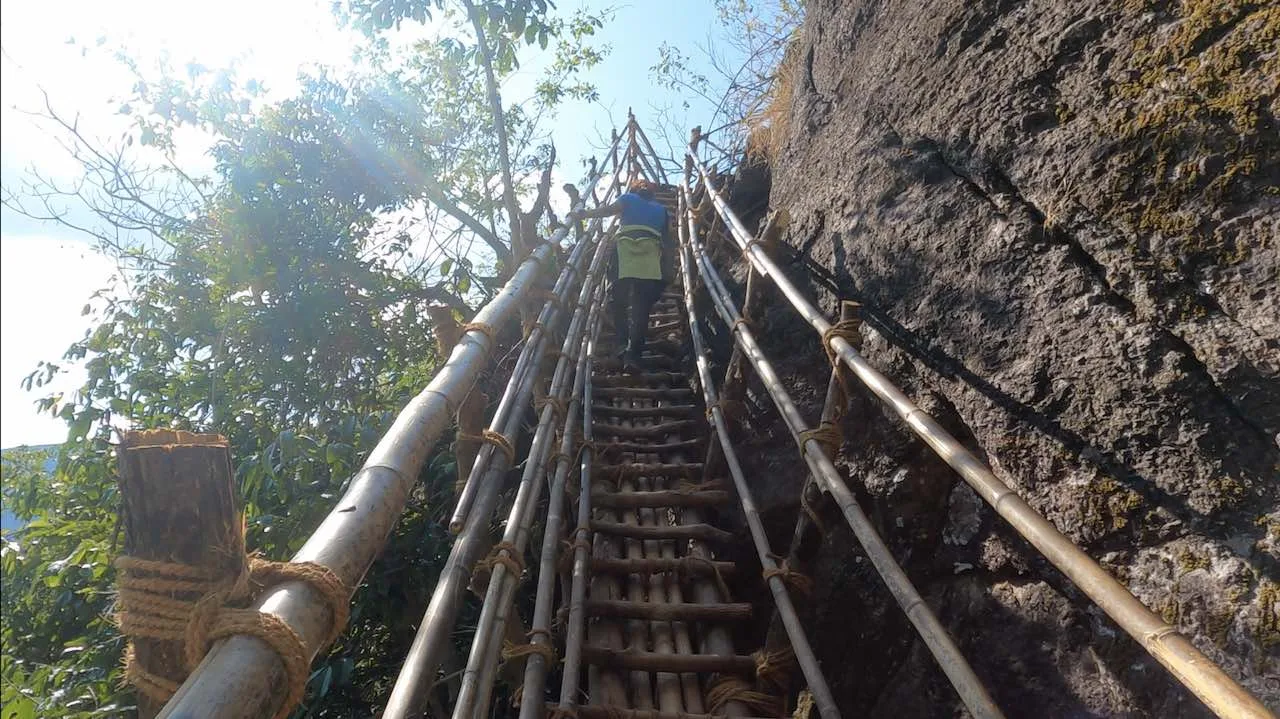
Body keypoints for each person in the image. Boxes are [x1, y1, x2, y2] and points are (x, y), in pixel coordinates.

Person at [582, 179, 671, 372]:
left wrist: (584, 214)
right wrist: (667, 272)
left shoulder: (628, 198)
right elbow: (667, 241)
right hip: (649, 257)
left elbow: (607, 211)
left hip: (625, 251)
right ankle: (633, 354)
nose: (645, 186)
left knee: (618, 301)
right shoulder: (662, 210)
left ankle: (624, 346)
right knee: (641, 307)